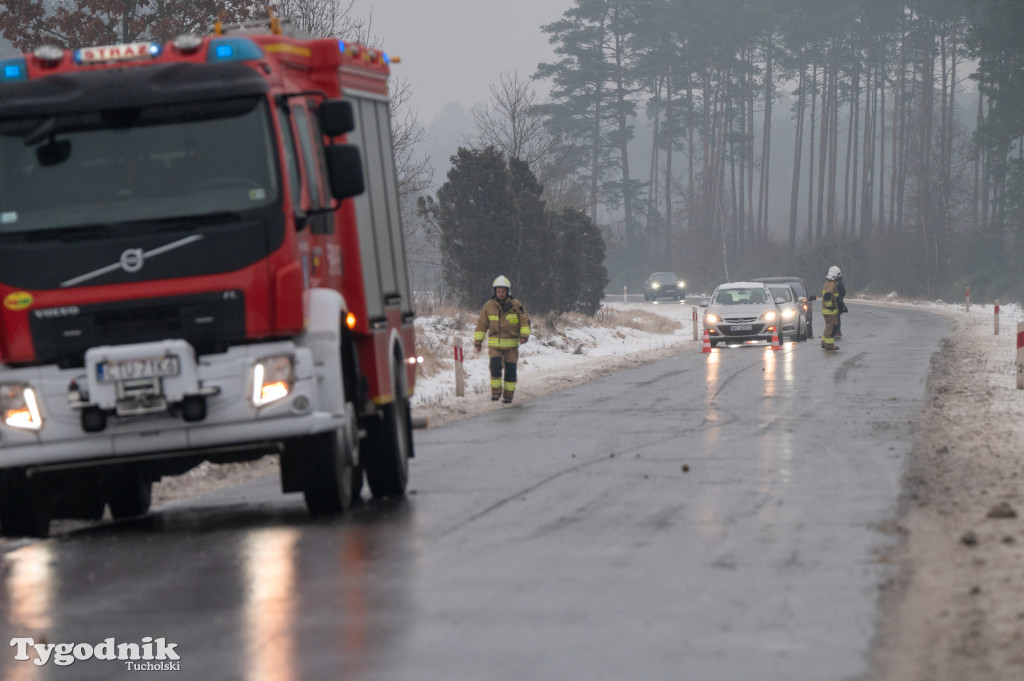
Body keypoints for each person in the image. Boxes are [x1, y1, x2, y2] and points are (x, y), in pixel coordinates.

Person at [474, 275, 531, 403]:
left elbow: (524, 321)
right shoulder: (488, 306)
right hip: (495, 346)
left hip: (511, 346)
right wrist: (478, 342)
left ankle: (508, 396)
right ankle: (496, 393)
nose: (501, 294)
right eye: (498, 291)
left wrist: (524, 336)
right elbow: (481, 325)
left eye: (503, 291)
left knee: (511, 371)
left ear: (508, 291)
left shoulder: (516, 305)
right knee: (495, 368)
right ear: (495, 291)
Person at [821, 265, 842, 351]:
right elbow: (827, 296)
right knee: (831, 328)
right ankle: (829, 345)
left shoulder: (827, 283)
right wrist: (831, 306)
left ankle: (824, 343)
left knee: (828, 327)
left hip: (827, 311)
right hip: (830, 311)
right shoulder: (832, 284)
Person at [834, 271, 848, 340]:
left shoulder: (837, 282)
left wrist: (838, 297)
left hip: (836, 302)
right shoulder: (840, 282)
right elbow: (844, 292)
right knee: (837, 317)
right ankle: (837, 331)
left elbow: (843, 292)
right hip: (839, 302)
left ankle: (837, 332)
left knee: (835, 317)